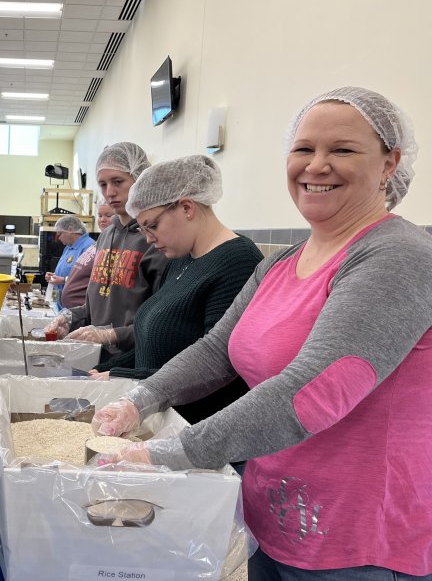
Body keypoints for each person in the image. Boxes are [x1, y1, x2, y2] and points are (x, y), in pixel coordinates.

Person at [92, 87, 432, 580]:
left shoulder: (397, 255)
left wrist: (166, 453)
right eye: (303, 149)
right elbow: (215, 352)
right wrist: (141, 399)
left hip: (357, 540)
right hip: (274, 516)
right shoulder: (280, 264)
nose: (316, 165)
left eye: (342, 149)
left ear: (389, 163)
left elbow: (316, 387)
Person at [89, 155, 262, 424]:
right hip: (157, 412)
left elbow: (216, 367)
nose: (147, 238)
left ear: (186, 207)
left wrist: (123, 376)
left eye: (152, 226)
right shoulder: (181, 258)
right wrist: (103, 370)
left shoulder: (238, 262)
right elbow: (154, 346)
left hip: (196, 427)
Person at [44, 142, 167, 360]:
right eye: (103, 184)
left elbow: (162, 318)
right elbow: (98, 304)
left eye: (118, 182)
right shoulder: (106, 235)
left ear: (140, 178)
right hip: (95, 355)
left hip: (133, 358)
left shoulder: (156, 239)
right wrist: (71, 316)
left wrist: (112, 335)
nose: (110, 192)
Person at [44, 215, 96, 308]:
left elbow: (90, 277)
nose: (58, 238)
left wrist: (64, 280)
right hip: (62, 303)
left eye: (60, 234)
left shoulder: (89, 247)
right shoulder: (69, 247)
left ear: (70, 229)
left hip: (77, 306)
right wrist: (54, 276)